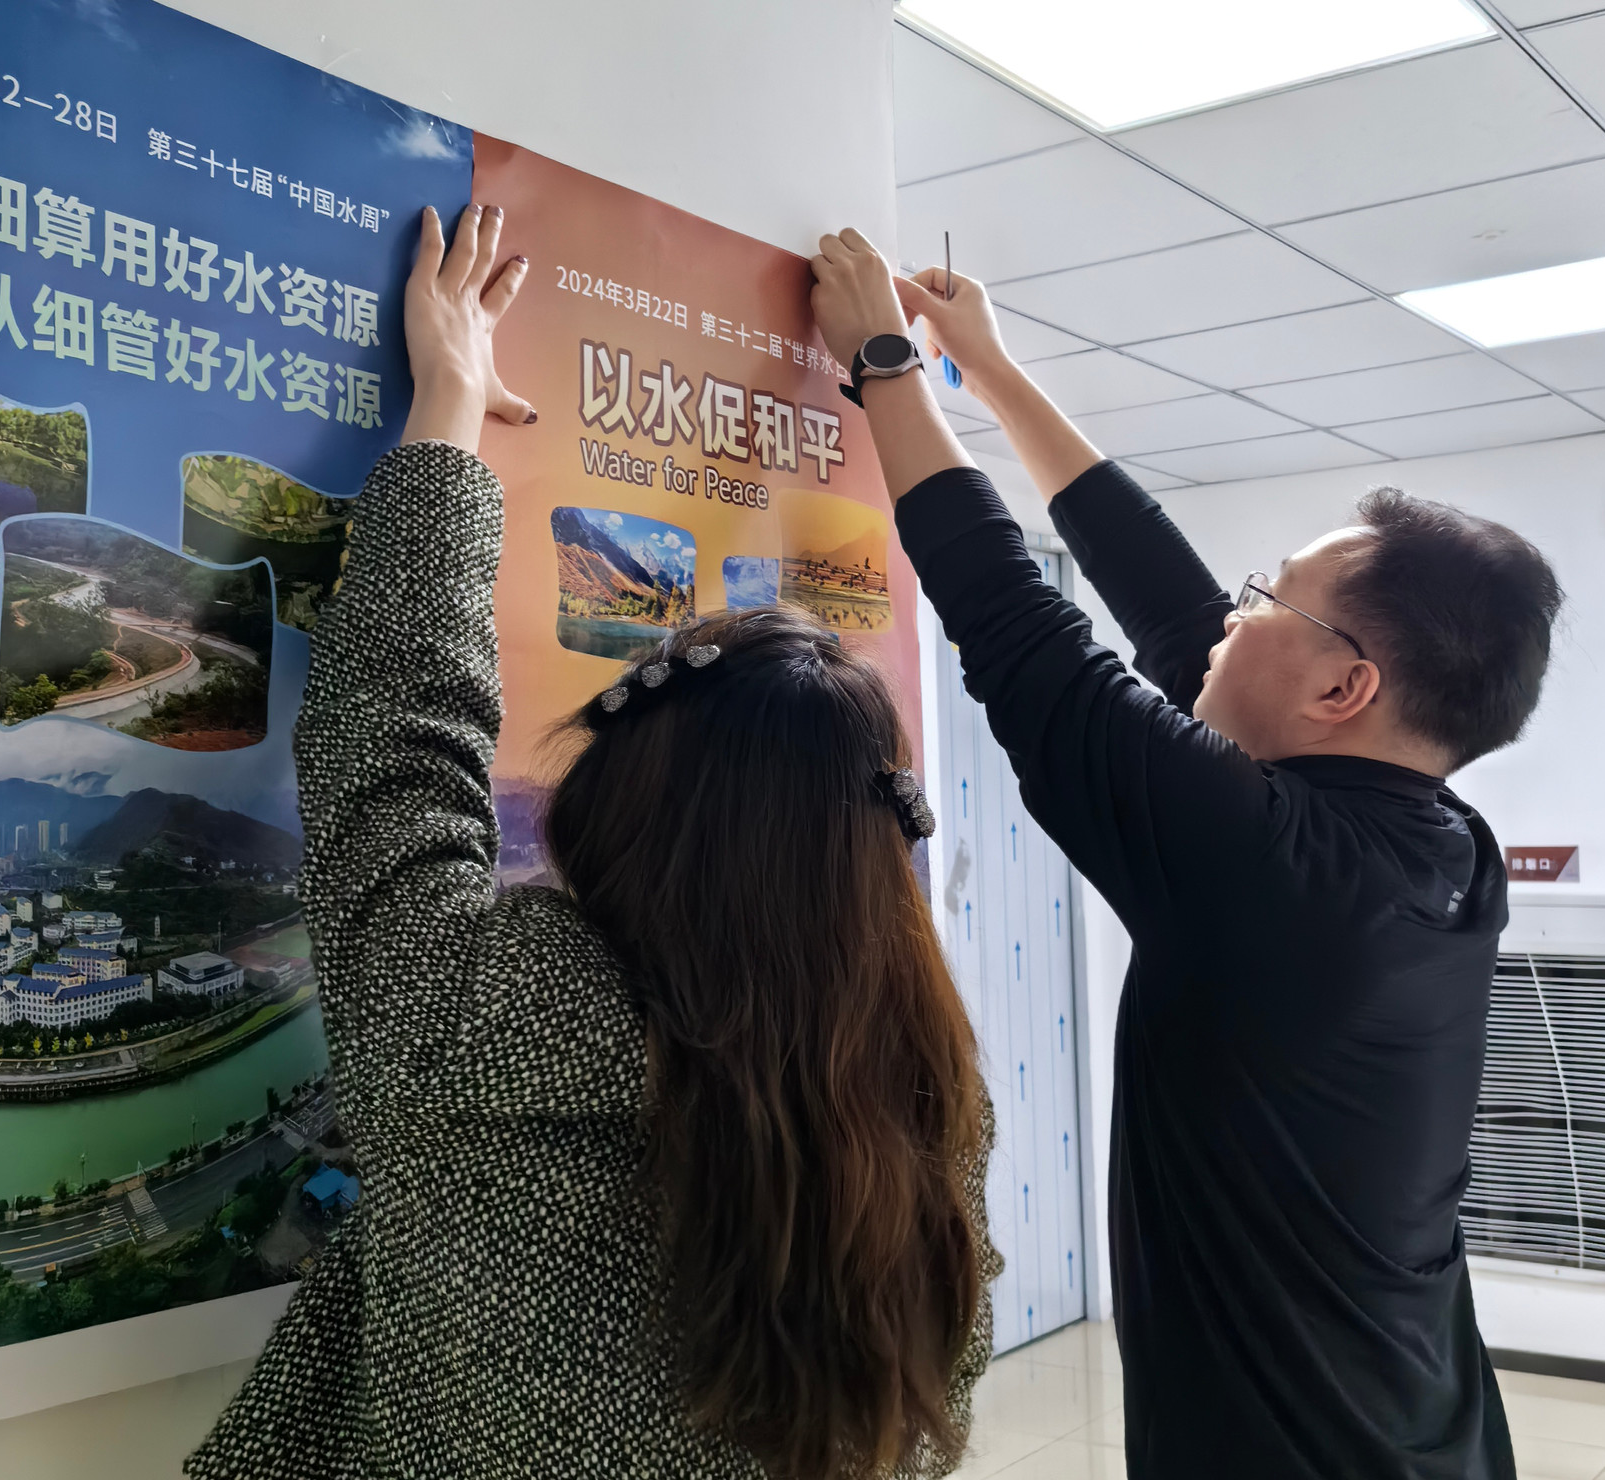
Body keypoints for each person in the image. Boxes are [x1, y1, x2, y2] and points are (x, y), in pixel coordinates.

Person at [187, 205, 998, 1480]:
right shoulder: (920, 1091)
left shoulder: (492, 1010)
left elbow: (394, 740)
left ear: (633, 806)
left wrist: (447, 405)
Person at [806, 227, 1565, 1480]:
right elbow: (1172, 606)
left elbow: (1022, 632)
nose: (1234, 611)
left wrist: (885, 364)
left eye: (1268, 598)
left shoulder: (1276, 868)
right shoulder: (1441, 846)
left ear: (1342, 688)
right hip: (1426, 1432)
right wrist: (985, 366)